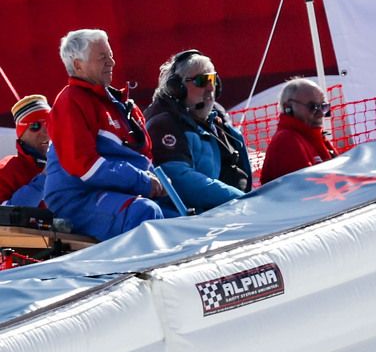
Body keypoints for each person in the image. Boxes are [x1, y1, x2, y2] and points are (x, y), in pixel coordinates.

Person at [43, 29, 166, 240]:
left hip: (116, 190)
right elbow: (84, 166)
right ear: (78, 65)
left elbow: (145, 158)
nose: (112, 62)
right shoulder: (71, 101)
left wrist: (164, 185)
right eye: (102, 57)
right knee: (144, 212)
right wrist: (144, 182)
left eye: (110, 55)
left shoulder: (120, 105)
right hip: (77, 198)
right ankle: (147, 271)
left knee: (180, 209)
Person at [144, 49, 252, 212]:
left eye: (212, 79)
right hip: (204, 219)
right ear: (177, 88)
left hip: (233, 210)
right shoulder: (163, 124)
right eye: (201, 81)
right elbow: (181, 180)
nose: (210, 87)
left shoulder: (216, 117)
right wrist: (241, 200)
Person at [259, 78, 339, 184]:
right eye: (313, 107)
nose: (320, 114)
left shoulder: (316, 137)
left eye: (323, 107)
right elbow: (304, 192)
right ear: (288, 107)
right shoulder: (286, 141)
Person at [0, 95, 51, 206]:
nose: (46, 132)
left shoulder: (69, 168)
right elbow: (5, 217)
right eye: (35, 126)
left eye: (49, 124)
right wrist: (44, 178)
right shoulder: (6, 170)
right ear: (21, 134)